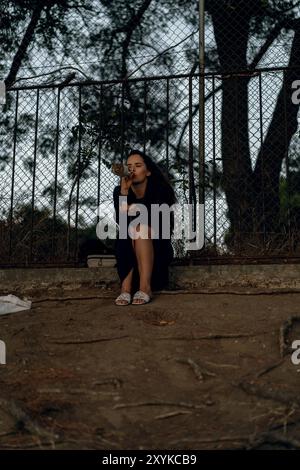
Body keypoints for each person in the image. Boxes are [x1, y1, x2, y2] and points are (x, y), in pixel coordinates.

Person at [113, 149, 177, 305]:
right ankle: (126, 289)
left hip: (156, 254)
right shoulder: (120, 191)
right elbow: (122, 223)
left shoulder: (161, 189)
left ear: (148, 171)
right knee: (126, 231)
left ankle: (145, 287)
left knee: (139, 228)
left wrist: (133, 212)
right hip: (129, 255)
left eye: (138, 165)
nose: (132, 169)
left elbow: (159, 223)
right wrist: (124, 191)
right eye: (129, 166)